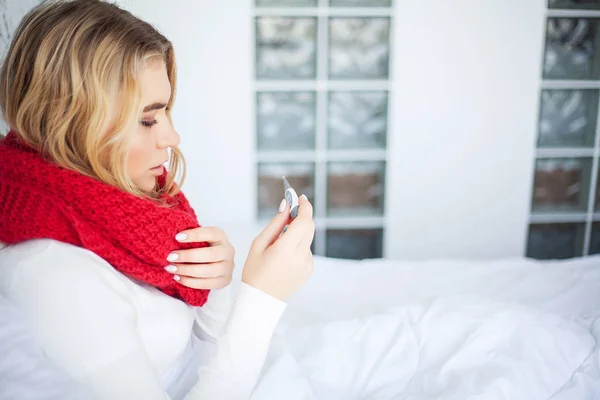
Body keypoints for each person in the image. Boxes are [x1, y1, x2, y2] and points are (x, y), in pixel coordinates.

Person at [0, 1, 315, 399]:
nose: (171, 138)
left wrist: (216, 286)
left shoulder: (126, 210)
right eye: (147, 119)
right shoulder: (55, 275)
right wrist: (262, 299)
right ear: (71, 120)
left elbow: (204, 343)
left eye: (165, 112)